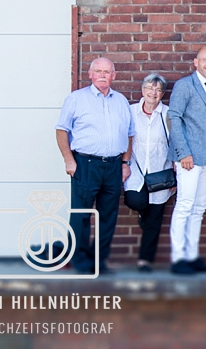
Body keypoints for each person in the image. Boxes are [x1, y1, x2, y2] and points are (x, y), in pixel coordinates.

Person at [55, 57, 134, 275]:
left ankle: (98, 261)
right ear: (90, 74)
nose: (102, 75)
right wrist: (68, 159)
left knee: (108, 216)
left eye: (106, 72)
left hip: (113, 166)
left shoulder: (121, 101)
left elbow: (129, 135)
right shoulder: (76, 99)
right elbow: (62, 130)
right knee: (81, 214)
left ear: (113, 75)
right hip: (85, 164)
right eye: (98, 71)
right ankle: (80, 261)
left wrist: (125, 163)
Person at [168, 46, 206, 275]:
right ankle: (178, 258)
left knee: (199, 208)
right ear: (195, 62)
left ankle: (192, 255)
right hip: (189, 158)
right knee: (184, 206)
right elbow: (174, 117)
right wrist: (183, 153)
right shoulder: (184, 85)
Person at [123, 73, 173, 273]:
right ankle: (142, 216)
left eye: (158, 90)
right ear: (143, 90)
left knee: (155, 217)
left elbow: (175, 142)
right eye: (150, 88)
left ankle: (145, 260)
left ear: (162, 94)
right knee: (135, 200)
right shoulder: (131, 111)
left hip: (161, 169)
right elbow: (124, 137)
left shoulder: (168, 114)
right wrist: (124, 163)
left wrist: (175, 173)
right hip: (135, 167)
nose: (154, 93)